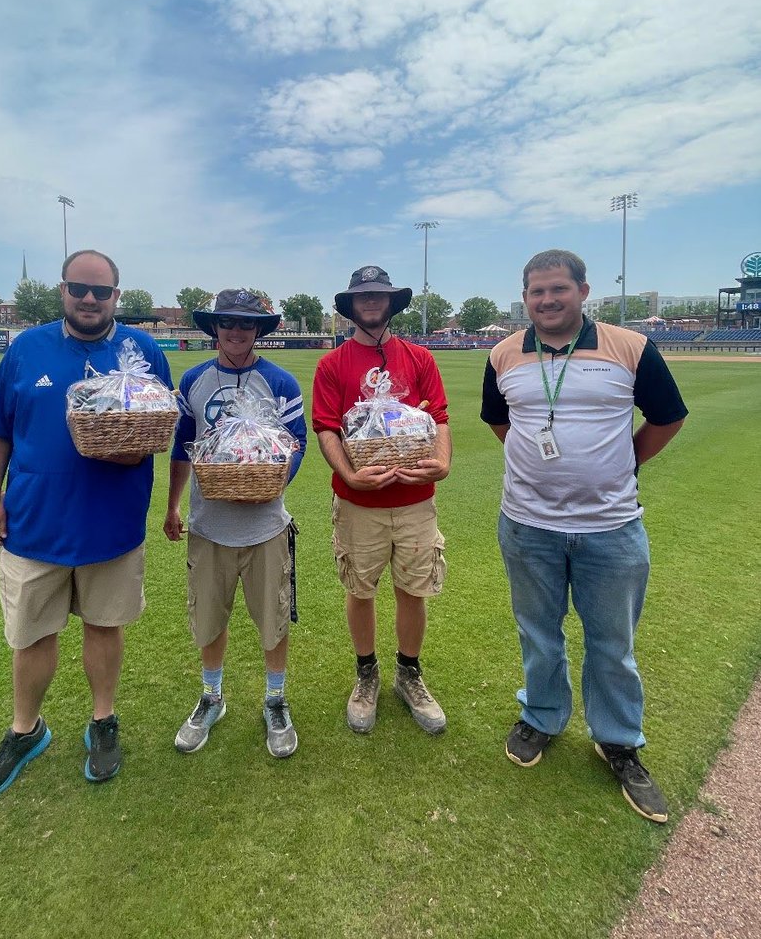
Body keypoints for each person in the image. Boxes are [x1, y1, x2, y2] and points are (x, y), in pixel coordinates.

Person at [481, 249, 688, 823]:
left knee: (612, 642)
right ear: (525, 298)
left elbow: (668, 417)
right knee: (538, 633)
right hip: (527, 524)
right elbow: (501, 422)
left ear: (583, 291)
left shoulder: (630, 347)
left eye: (558, 290)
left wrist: (624, 465)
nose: (547, 301)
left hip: (610, 527)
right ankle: (542, 717)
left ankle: (618, 741)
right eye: (536, 292)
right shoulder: (503, 354)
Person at [0, 249, 173, 800]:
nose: (89, 299)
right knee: (32, 635)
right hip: (34, 523)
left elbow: (157, 431)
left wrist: (132, 452)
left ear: (116, 296)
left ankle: (103, 721)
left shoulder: (144, 351)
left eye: (100, 291)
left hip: (112, 525)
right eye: (78, 288)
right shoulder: (26, 349)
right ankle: (24, 730)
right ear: (62, 290)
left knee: (105, 627)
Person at [164, 290, 307, 758]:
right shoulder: (194, 380)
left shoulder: (281, 381)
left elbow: (298, 442)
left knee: (273, 619)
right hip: (209, 525)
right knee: (208, 619)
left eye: (246, 324)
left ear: (259, 330)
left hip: (265, 525)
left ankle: (275, 699)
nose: (236, 330)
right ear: (214, 327)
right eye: (227, 322)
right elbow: (184, 445)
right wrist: (172, 506)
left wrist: (271, 480)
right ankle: (212, 697)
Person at [311, 266, 452, 735]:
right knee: (360, 589)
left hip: (415, 500)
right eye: (362, 297)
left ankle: (409, 675)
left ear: (391, 303)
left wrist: (444, 460)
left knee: (414, 589)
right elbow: (328, 427)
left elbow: (441, 418)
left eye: (379, 296)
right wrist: (350, 473)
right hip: (358, 503)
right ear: (351, 305)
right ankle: (366, 674)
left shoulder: (419, 358)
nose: (371, 303)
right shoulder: (333, 364)